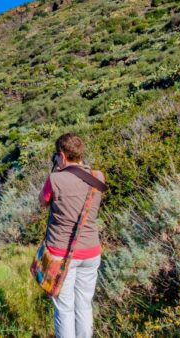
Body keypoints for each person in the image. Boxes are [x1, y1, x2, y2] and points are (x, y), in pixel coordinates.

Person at [38, 133, 105, 338]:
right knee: (84, 305)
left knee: (64, 308)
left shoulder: (55, 179)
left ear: (62, 155)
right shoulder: (98, 177)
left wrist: (56, 171)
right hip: (91, 251)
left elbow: (42, 202)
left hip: (61, 253)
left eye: (57, 157)